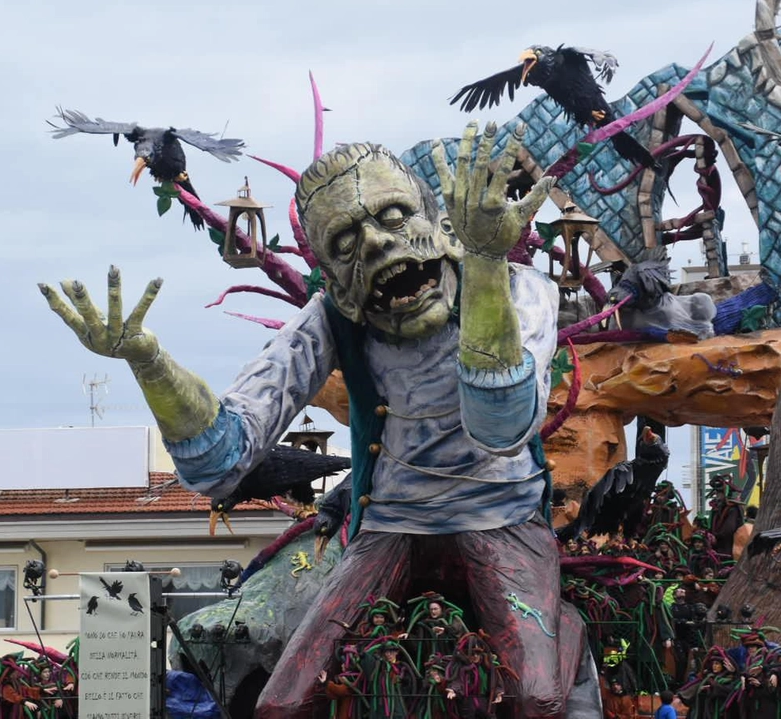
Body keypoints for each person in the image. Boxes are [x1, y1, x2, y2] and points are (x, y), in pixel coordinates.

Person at [41, 122, 592, 718]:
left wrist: (484, 265)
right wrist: (150, 364)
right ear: (334, 280)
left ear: (437, 223)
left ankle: (568, 630)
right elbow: (221, 454)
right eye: (347, 242)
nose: (379, 244)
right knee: (282, 705)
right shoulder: (330, 319)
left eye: (393, 216)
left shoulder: (521, 290)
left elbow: (501, 424)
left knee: (539, 699)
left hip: (504, 518)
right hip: (389, 528)